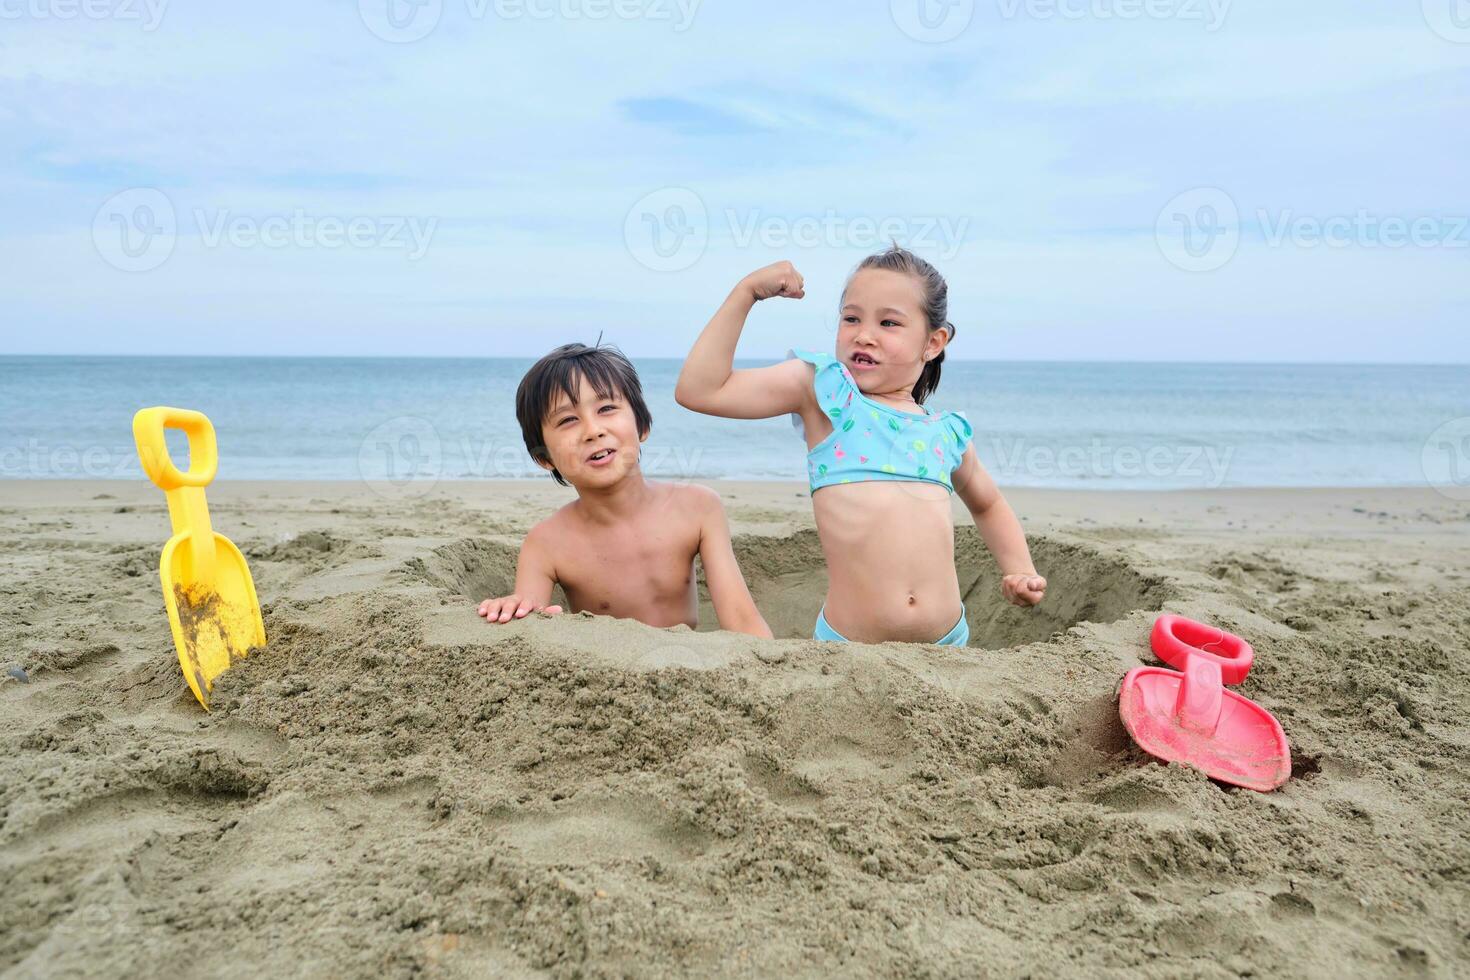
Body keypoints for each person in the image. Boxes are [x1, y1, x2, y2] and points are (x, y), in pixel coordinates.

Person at [674, 246, 1046, 645]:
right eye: (851, 318)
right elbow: (700, 390)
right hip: (850, 653)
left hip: (948, 647)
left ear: (933, 342)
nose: (864, 335)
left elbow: (987, 503)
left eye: (888, 322)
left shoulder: (945, 431)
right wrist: (746, 293)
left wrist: (1018, 568)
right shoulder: (825, 393)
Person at [478, 342, 772, 638]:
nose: (593, 430)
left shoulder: (698, 507)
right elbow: (529, 624)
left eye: (606, 408)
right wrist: (513, 609)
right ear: (544, 457)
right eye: (568, 420)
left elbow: (742, 621)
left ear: (642, 426)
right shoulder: (546, 543)